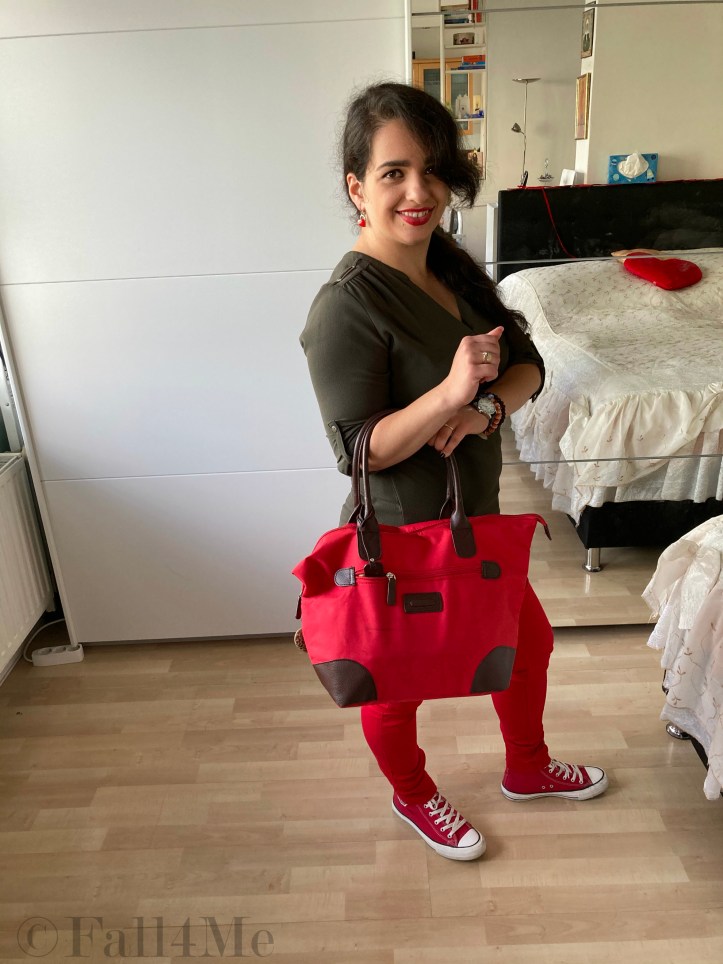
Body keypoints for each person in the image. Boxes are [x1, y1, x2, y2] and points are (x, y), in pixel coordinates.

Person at [299, 82, 608, 862]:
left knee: (525, 647)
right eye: (394, 172)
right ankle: (412, 795)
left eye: (431, 171)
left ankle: (528, 768)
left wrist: (485, 412)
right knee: (396, 686)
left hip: (477, 515)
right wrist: (446, 394)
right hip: (404, 534)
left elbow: (529, 367)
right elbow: (359, 450)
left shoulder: (450, 265)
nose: (418, 192)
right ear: (355, 187)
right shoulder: (344, 305)